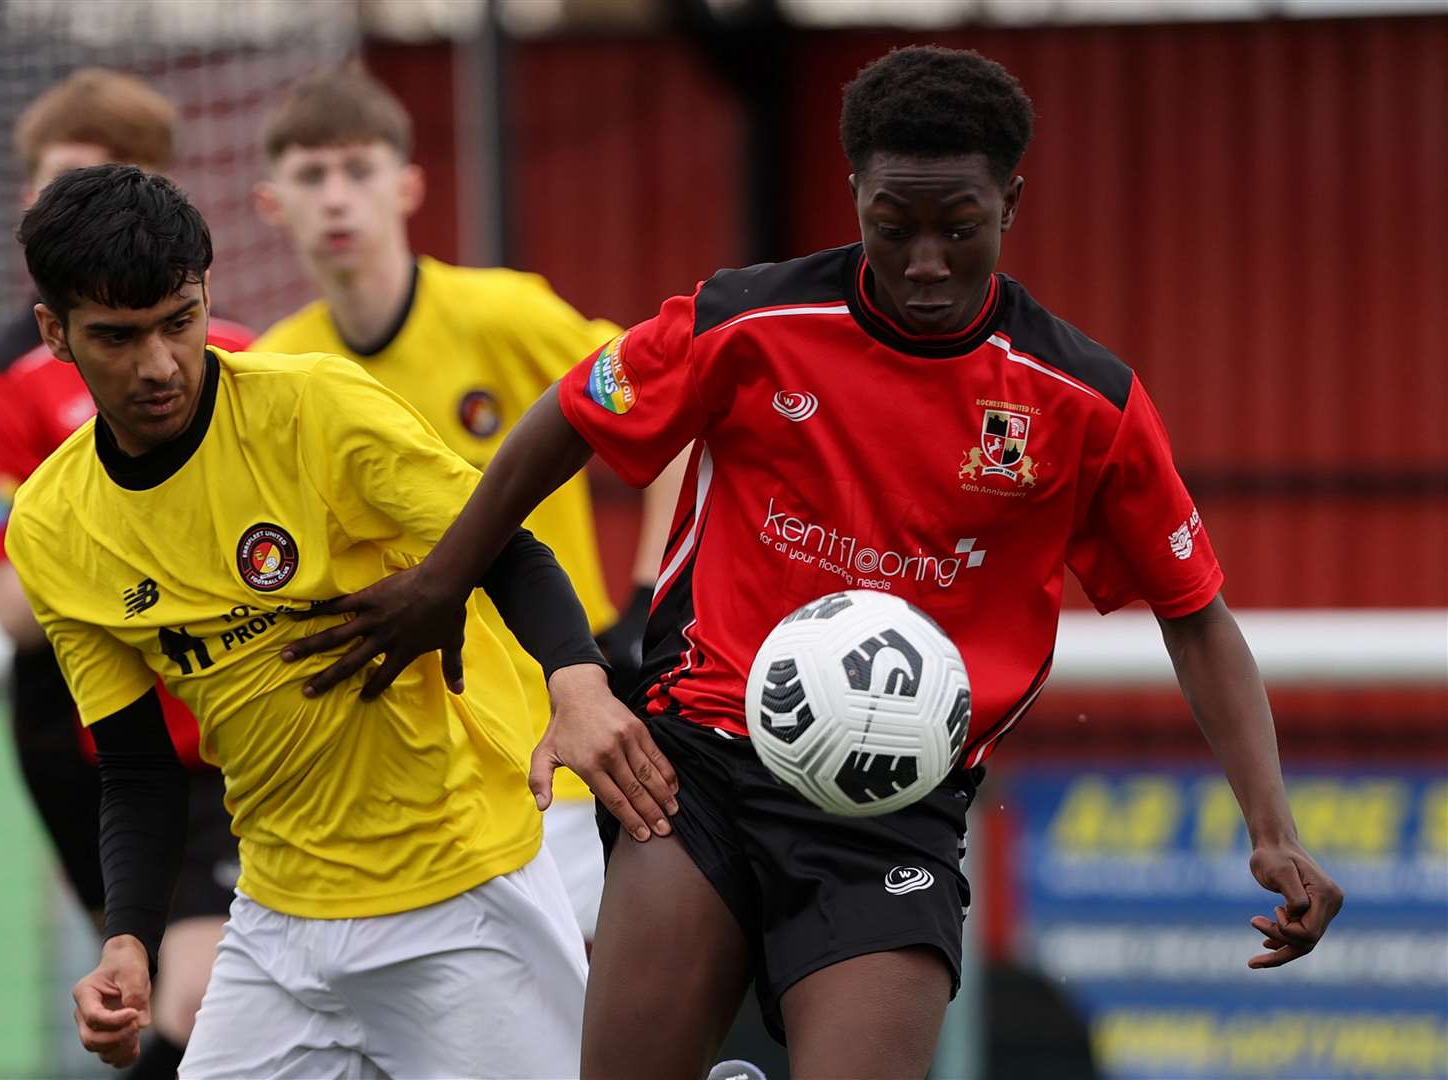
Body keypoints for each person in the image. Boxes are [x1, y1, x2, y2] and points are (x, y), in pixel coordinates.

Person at [280, 46, 1345, 1078]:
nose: (925, 261)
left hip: (899, 806)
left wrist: (1272, 827)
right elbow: (564, 416)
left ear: (1011, 204)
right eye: (894, 225)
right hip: (696, 764)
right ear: (855, 197)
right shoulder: (749, 321)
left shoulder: (1082, 402)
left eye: (960, 228)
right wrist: (439, 582)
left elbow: (1195, 612)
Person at [4, 164, 657, 1077]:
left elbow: (503, 544)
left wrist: (579, 681)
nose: (158, 365)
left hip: (460, 896)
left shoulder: (314, 408)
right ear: (55, 333)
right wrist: (128, 940)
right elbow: (138, 764)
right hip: (276, 926)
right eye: (116, 337)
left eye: (178, 322)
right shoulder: (51, 525)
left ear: (204, 298)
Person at [249, 64, 684, 941]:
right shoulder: (275, 372)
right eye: (310, 176)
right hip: (405, 785)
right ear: (271, 204)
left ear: (408, 185)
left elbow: (669, 414)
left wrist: (645, 607)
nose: (337, 198)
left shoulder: (504, 316)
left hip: (554, 748)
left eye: (358, 170)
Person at [0, 68, 251, 1079]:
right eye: (50, 185)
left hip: (230, 710)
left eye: (100, 179)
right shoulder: (3, 383)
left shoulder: (244, 365)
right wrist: (140, 569)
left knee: (206, 990)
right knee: (149, 990)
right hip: (84, 727)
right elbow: (10, 604)